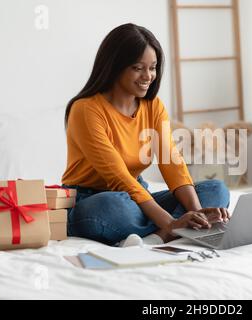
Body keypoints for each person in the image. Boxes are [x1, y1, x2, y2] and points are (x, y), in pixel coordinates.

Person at [61, 23, 230, 247]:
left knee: (215, 189)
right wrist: (171, 222)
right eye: (138, 68)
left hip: (138, 195)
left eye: (153, 67)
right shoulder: (86, 109)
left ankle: (159, 236)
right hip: (93, 199)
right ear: (115, 66)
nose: (148, 76)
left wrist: (197, 213)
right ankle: (171, 230)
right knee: (115, 207)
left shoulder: (153, 106)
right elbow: (117, 176)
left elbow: (172, 163)